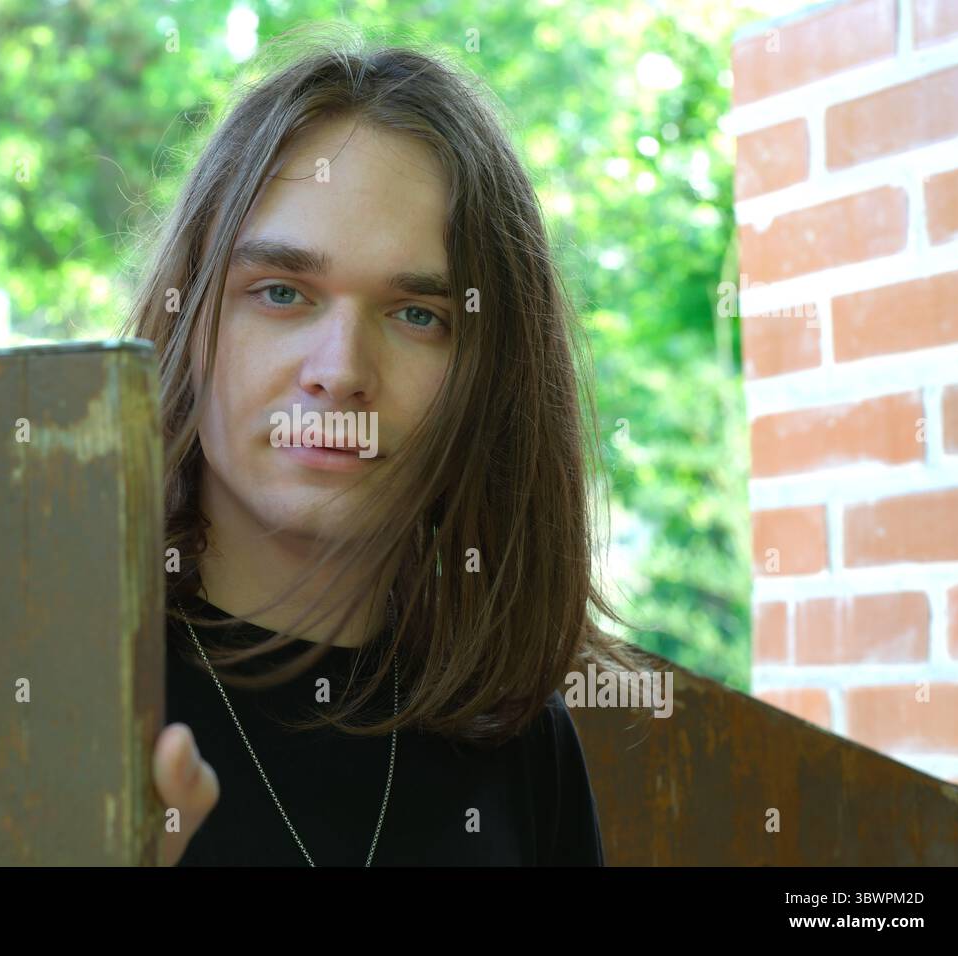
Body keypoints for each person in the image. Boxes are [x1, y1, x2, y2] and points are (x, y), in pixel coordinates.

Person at [126, 35, 652, 866]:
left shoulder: (518, 741)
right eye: (281, 293)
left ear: (488, 381)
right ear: (190, 322)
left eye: (417, 315)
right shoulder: (59, 678)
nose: (339, 373)